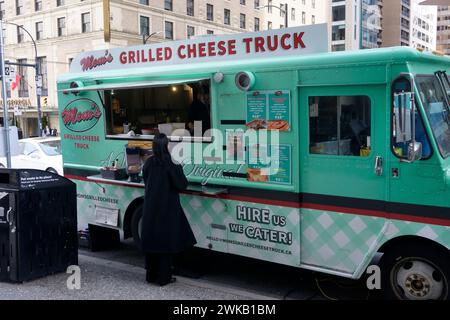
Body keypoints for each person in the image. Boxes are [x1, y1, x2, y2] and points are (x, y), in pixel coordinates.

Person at [141, 133, 197, 286]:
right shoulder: (171, 163)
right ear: (166, 146)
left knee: (152, 240)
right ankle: (164, 278)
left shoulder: (148, 162)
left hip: (150, 206)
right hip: (167, 207)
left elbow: (145, 180)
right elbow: (181, 184)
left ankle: (150, 276)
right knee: (165, 242)